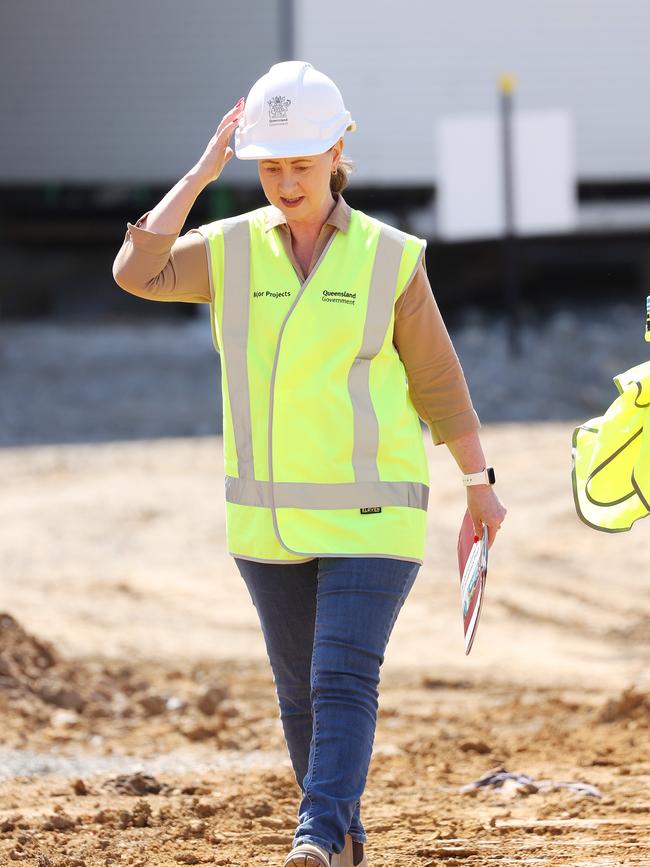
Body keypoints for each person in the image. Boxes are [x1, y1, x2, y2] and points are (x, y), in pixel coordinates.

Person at [113, 60, 507, 867]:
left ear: (337, 153)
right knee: (300, 694)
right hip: (267, 519)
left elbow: (437, 379)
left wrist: (479, 485)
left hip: (375, 510)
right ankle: (346, 835)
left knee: (339, 678)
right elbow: (136, 272)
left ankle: (318, 832)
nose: (286, 181)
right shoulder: (226, 250)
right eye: (272, 165)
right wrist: (201, 170)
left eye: (301, 162)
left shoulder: (389, 257)